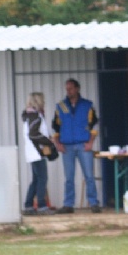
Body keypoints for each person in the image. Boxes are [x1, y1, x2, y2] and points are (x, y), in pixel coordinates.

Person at [51, 78, 102, 214]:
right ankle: (68, 205)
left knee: (89, 176)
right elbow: (56, 126)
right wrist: (57, 144)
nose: (68, 91)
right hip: (66, 146)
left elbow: (94, 124)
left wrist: (91, 142)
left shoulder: (87, 105)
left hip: (83, 145)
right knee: (69, 177)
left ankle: (93, 203)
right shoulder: (60, 106)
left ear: (77, 88)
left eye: (71, 88)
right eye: (67, 89)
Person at [21, 92, 56, 215]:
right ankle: (41, 205)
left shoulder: (29, 116)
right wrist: (48, 141)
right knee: (42, 178)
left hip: (32, 153)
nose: (44, 103)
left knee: (36, 179)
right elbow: (34, 134)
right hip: (37, 152)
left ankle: (29, 205)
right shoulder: (35, 116)